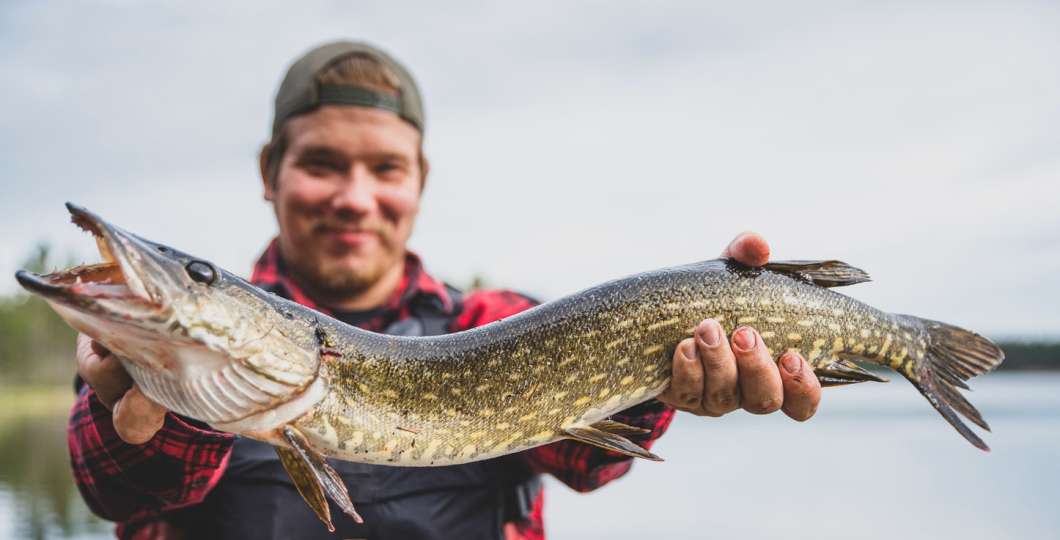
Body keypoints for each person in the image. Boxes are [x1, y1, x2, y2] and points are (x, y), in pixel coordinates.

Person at [69, 41, 822, 540]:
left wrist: (664, 378)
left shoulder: (492, 319)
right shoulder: (143, 357)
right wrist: (160, 404)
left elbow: (594, 462)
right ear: (271, 174)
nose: (354, 198)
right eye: (323, 163)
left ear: (419, 183)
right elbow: (117, 491)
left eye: (385, 169)